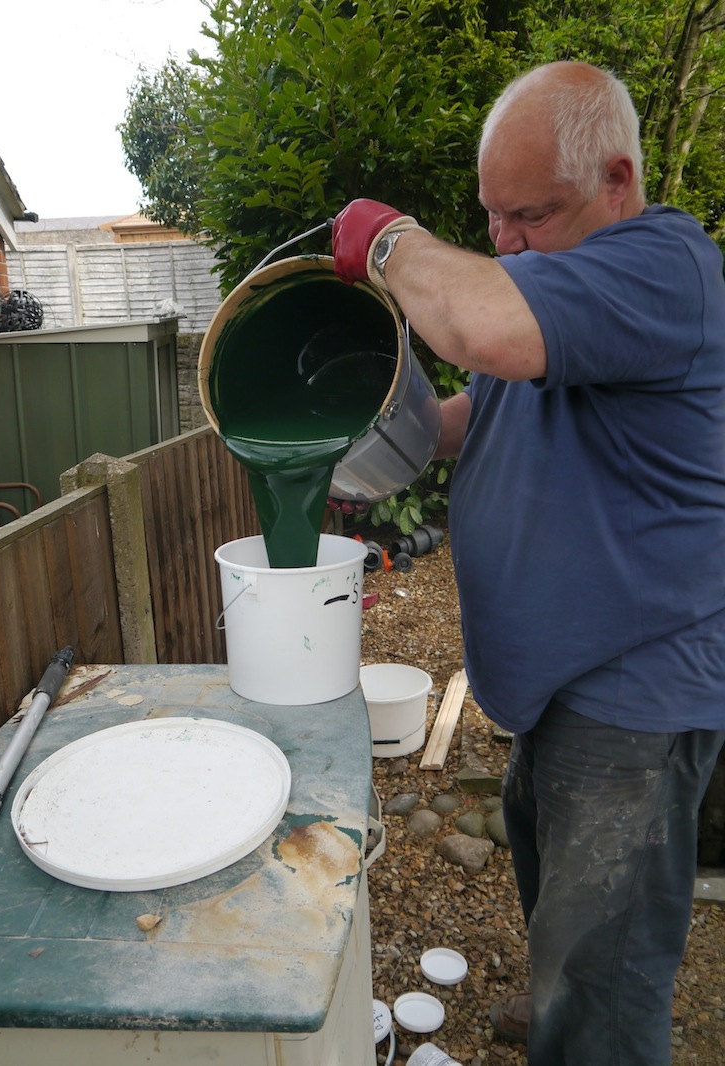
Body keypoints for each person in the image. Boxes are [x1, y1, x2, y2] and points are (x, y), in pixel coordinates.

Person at [331, 61, 725, 1066]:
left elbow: (480, 325)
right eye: (488, 215)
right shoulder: (565, 301)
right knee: (555, 889)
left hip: (634, 691)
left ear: (616, 183)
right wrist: (389, 433)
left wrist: (386, 241)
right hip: (556, 684)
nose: (503, 240)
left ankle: (582, 1026)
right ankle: (561, 1001)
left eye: (529, 215)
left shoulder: (661, 265)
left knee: (605, 968)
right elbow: (474, 411)